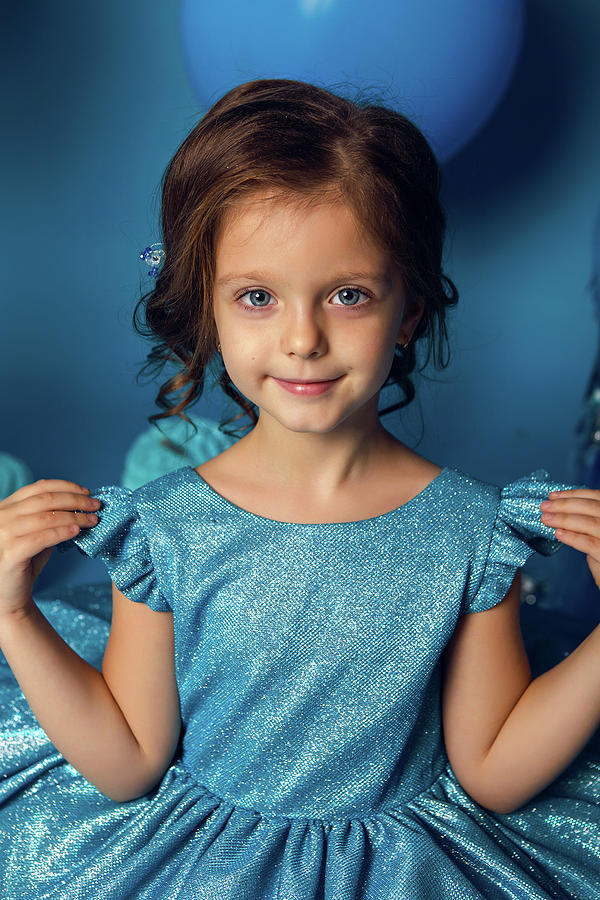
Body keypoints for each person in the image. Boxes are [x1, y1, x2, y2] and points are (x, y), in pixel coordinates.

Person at [1, 78, 600, 900]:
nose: (303, 338)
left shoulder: (471, 532)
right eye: (257, 297)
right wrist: (13, 616)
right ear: (209, 309)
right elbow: (128, 760)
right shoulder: (164, 530)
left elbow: (494, 770)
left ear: (411, 310)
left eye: (348, 295)